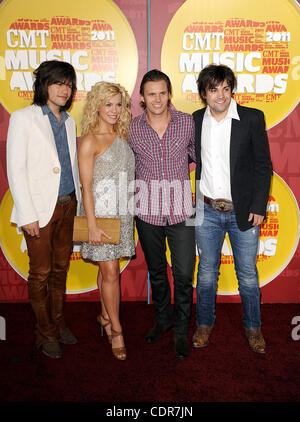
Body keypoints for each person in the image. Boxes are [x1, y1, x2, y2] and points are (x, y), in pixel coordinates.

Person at [192, 64, 272, 354]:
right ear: (204, 93)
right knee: (206, 274)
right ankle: (203, 324)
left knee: (248, 275)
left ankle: (253, 328)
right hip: (207, 210)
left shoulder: (251, 118)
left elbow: (264, 165)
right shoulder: (196, 119)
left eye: (226, 88)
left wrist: (259, 205)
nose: (221, 95)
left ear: (231, 90)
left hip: (244, 212)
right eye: (214, 89)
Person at [6, 60, 81, 359]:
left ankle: (58, 322)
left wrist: (79, 207)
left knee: (60, 270)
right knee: (40, 273)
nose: (65, 89)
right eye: (58, 83)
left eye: (69, 84)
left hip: (68, 205)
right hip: (38, 211)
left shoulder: (70, 120)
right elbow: (16, 169)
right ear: (44, 85)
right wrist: (27, 215)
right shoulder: (24, 118)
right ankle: (45, 332)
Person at [129, 69, 196, 360]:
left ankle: (181, 330)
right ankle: (163, 319)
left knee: (183, 273)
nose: (157, 99)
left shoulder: (187, 123)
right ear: (142, 98)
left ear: (169, 94)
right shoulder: (131, 128)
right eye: (151, 94)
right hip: (146, 212)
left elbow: (198, 156)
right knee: (156, 272)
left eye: (162, 92)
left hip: (183, 210)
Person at [78, 81, 135, 361]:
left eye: (118, 104)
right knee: (111, 272)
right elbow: (85, 187)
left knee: (107, 270)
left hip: (121, 214)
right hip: (99, 216)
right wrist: (91, 225)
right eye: (108, 104)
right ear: (96, 106)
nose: (113, 110)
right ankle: (116, 329)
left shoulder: (122, 134)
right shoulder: (90, 139)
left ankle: (103, 315)